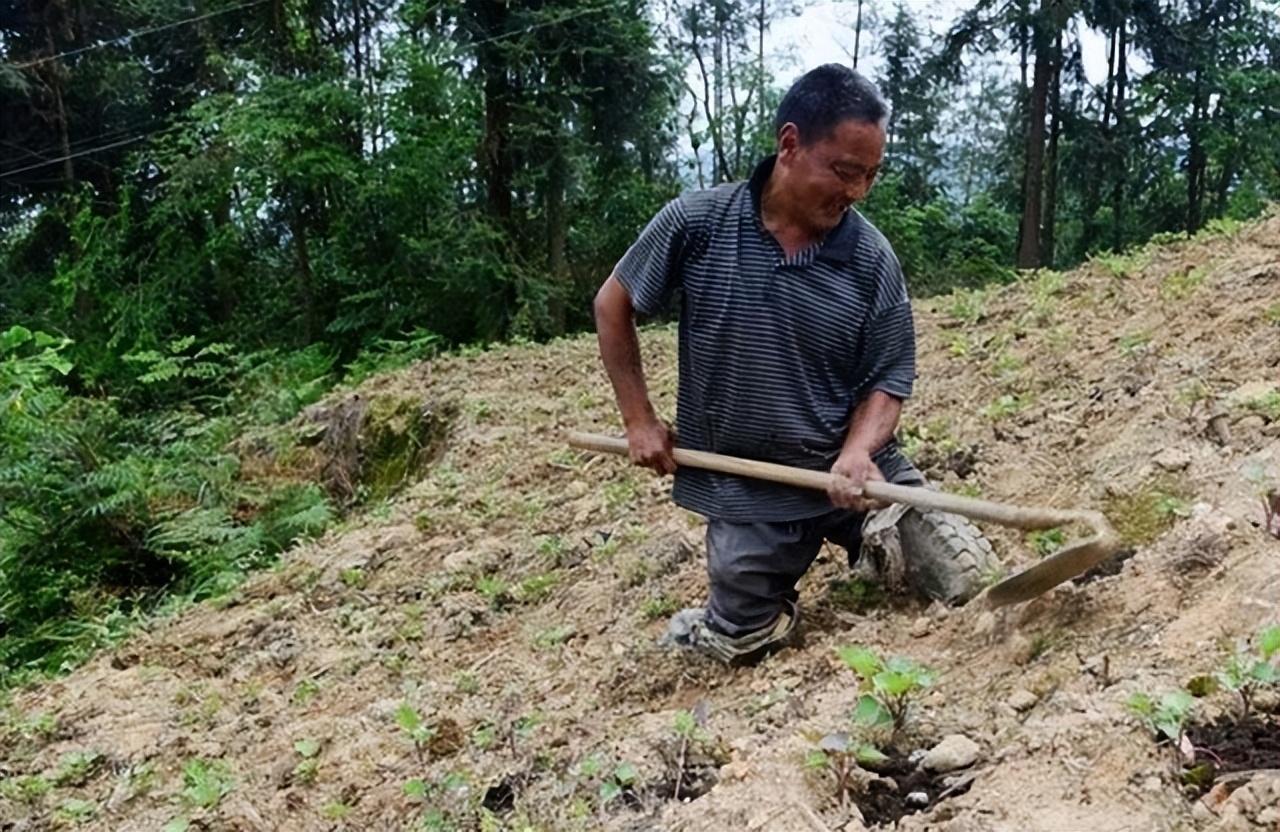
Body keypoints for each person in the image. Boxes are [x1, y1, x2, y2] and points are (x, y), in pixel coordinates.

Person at [593, 64, 931, 665]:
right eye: (845, 172)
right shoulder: (697, 224)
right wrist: (639, 420)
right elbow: (613, 303)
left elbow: (887, 376)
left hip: (852, 476)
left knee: (959, 566)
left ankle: (880, 558)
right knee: (741, 637)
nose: (856, 192)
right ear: (790, 144)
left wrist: (859, 451)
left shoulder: (871, 257)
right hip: (746, 488)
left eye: (870, 176)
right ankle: (733, 614)